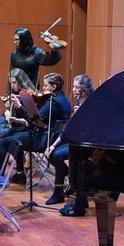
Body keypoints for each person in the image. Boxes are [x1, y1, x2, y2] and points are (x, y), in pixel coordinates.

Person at [0, 72, 72, 184]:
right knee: (12, 137)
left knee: (6, 141)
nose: (43, 88)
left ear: (53, 87)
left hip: (44, 139)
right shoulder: (64, 99)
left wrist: (20, 106)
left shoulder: (53, 102)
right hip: (50, 136)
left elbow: (34, 120)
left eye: (46, 85)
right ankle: (19, 173)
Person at [45, 75, 93, 213]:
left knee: (59, 156)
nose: (74, 90)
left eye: (77, 87)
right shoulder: (79, 102)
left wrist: (82, 117)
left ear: (85, 88)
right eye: (73, 86)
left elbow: (91, 129)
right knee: (53, 152)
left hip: (87, 144)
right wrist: (53, 144)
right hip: (77, 142)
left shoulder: (91, 103)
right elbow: (68, 130)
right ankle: (71, 189)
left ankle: (60, 191)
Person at [0, 68, 37, 138]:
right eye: (11, 83)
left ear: (21, 81)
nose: (12, 86)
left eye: (14, 83)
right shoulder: (17, 92)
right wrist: (8, 107)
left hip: (23, 128)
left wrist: (18, 105)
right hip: (14, 124)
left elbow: (33, 120)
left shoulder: (28, 94)